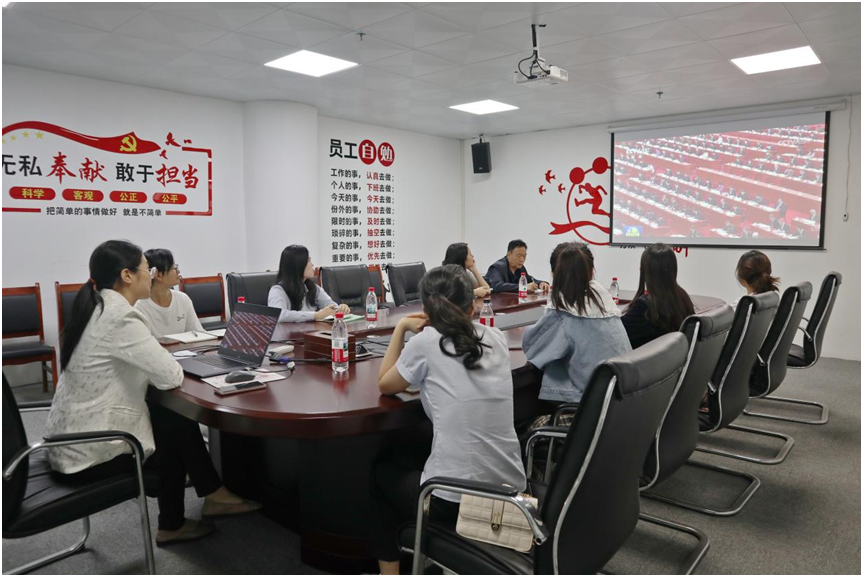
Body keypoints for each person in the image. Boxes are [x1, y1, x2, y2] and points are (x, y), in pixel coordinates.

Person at [45, 240, 260, 547]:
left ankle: (202, 503)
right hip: (89, 453)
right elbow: (170, 375)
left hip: (67, 442)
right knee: (173, 425)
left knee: (170, 415)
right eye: (147, 269)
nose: (151, 274)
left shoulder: (97, 307)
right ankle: (193, 509)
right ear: (127, 276)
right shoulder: (120, 316)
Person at [372, 265, 526, 575]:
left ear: (426, 310)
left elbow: (385, 384)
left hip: (454, 499)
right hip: (511, 490)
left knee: (381, 476)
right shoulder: (495, 337)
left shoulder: (426, 343)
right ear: (473, 307)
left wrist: (401, 328)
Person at [523, 244, 630, 404]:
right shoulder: (605, 301)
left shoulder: (564, 311)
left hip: (586, 406)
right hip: (619, 402)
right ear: (591, 271)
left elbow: (532, 348)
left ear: (554, 274)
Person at [621, 244, 695, 349]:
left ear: (644, 271)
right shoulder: (682, 297)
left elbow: (617, 332)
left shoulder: (645, 305)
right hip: (672, 357)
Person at [267, 245, 349, 322]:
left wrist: (340, 309)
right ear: (298, 265)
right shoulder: (277, 291)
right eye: (309, 261)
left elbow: (330, 307)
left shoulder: (312, 288)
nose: (312, 265)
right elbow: (279, 315)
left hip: (312, 331)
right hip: (289, 333)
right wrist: (316, 315)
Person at [134, 248, 203, 338]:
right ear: (158, 274)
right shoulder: (139, 307)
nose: (178, 271)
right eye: (174, 268)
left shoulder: (183, 299)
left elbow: (198, 333)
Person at [484, 239, 549, 293]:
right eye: (518, 256)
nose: (522, 260)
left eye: (524, 256)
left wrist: (540, 283)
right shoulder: (496, 267)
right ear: (509, 254)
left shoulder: (520, 268)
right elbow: (497, 286)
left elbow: (529, 279)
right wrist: (523, 287)